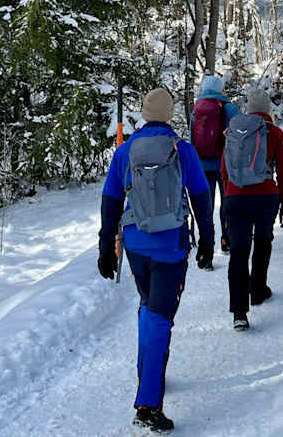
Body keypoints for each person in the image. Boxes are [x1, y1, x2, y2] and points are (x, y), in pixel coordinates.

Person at [97, 87, 214, 434]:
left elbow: (110, 202)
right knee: (161, 317)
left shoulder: (126, 150)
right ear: (170, 114)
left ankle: (146, 368)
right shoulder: (183, 150)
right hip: (170, 246)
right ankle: (148, 404)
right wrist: (207, 240)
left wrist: (106, 248)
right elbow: (201, 199)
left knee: (148, 305)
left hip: (135, 243)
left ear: (146, 114)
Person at [219, 88, 283, 331]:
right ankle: (258, 290)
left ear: (248, 108)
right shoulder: (275, 133)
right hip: (265, 197)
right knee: (262, 241)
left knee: (239, 251)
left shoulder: (232, 132)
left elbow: (224, 171)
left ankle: (239, 312)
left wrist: (228, 198)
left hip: (235, 198)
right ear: (268, 109)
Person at [190, 75, 239, 261]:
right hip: (225, 165)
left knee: (205, 208)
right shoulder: (229, 107)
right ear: (221, 89)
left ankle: (207, 251)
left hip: (202, 166)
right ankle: (227, 240)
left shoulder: (196, 110)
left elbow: (191, 138)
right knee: (227, 203)